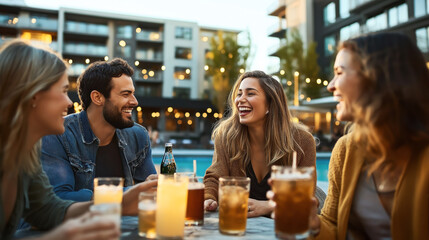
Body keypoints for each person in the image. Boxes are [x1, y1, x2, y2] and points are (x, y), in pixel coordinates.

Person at [0, 40, 156, 240]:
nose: (69, 102)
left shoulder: (23, 156)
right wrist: (62, 235)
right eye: (63, 91)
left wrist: (119, 202)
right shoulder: (49, 140)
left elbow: (50, 209)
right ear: (33, 96)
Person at [301, 32, 429, 239]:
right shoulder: (346, 149)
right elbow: (333, 226)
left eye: (340, 72)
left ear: (376, 77)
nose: (330, 85)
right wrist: (313, 224)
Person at [204, 70, 318, 218]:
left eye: (250, 94)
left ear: (270, 104)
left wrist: (269, 206)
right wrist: (208, 198)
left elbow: (305, 196)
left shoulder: (302, 141)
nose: (240, 99)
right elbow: (215, 175)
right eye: (239, 94)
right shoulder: (227, 135)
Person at [41, 58, 157, 201]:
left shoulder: (138, 136)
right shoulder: (58, 134)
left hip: (126, 223)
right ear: (97, 97)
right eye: (125, 94)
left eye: (133, 93)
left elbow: (150, 194)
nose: (134, 101)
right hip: (79, 223)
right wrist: (128, 193)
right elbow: (58, 198)